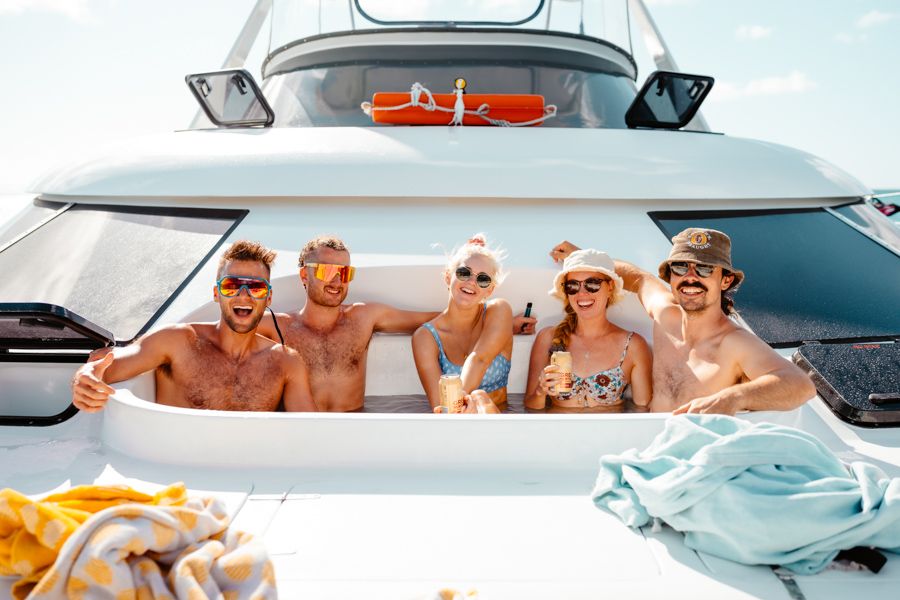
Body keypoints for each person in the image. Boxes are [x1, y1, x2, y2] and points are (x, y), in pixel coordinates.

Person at [257, 235, 535, 412]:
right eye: (327, 270)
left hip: (360, 425)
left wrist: (498, 325)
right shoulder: (277, 326)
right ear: (304, 275)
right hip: (307, 432)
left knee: (479, 400)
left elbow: (431, 320)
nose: (336, 279)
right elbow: (229, 330)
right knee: (475, 400)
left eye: (344, 272)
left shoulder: (363, 316)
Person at [551, 229, 815, 415]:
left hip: (695, 457)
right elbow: (639, 278)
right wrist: (584, 259)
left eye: (703, 269)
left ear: (725, 281)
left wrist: (733, 398)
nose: (690, 278)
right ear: (671, 277)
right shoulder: (665, 315)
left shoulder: (734, 343)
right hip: (651, 448)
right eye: (680, 268)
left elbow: (800, 385)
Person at [71, 241, 316, 413]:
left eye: (256, 287)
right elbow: (107, 364)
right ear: (216, 294)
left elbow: (311, 433)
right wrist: (85, 376)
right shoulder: (177, 341)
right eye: (232, 285)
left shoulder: (286, 363)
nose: (244, 295)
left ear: (269, 298)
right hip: (177, 475)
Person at [525, 249, 652, 412]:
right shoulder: (548, 338)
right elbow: (530, 405)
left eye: (592, 284)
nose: (582, 293)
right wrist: (541, 391)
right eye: (573, 286)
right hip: (558, 434)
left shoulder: (633, 345)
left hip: (610, 435)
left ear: (610, 286)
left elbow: (643, 411)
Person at [412, 234, 513, 410]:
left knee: (480, 398)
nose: (472, 282)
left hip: (499, 421)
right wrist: (457, 409)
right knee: (476, 398)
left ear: (489, 290)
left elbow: (479, 359)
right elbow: (439, 405)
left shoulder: (499, 310)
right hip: (455, 421)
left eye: (482, 279)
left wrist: (458, 400)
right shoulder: (425, 337)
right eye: (464, 273)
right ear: (447, 276)